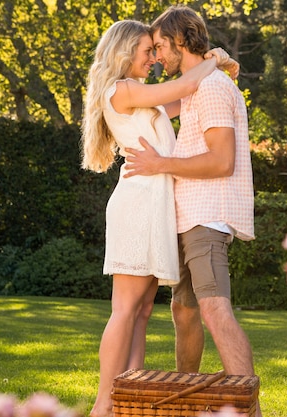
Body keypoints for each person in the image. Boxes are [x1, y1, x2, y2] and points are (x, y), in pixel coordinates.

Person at [80, 19, 237, 417]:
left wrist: (214, 73)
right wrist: (214, 58)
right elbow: (184, 87)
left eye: (156, 50)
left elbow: (185, 99)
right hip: (138, 206)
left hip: (154, 206)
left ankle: (129, 395)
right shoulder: (124, 89)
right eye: (147, 50)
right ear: (125, 51)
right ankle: (104, 405)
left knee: (142, 311)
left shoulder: (140, 96)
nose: (153, 58)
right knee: (125, 308)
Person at [123, 6, 262, 416]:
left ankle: (248, 410)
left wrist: (160, 164)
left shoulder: (215, 88)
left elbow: (222, 162)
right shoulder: (196, 88)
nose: (158, 56)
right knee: (184, 312)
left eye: (161, 46)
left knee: (215, 310)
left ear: (180, 40)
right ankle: (189, 402)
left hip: (208, 217)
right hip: (188, 217)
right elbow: (155, 111)